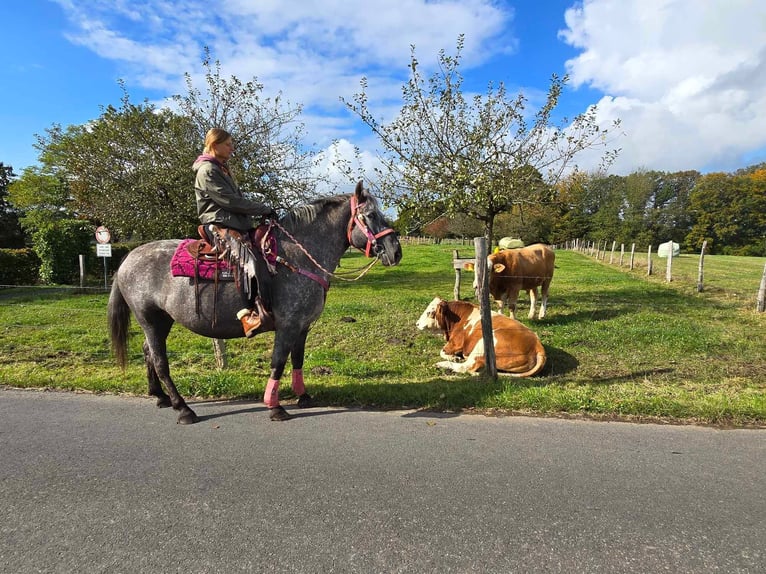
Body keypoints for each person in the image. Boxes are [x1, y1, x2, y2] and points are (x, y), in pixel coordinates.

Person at [193, 128, 274, 337]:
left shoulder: (221, 169)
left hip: (235, 224)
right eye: (228, 144)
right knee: (248, 261)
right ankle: (248, 315)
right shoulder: (207, 171)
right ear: (214, 144)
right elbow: (229, 201)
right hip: (218, 225)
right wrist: (262, 208)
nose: (232, 148)